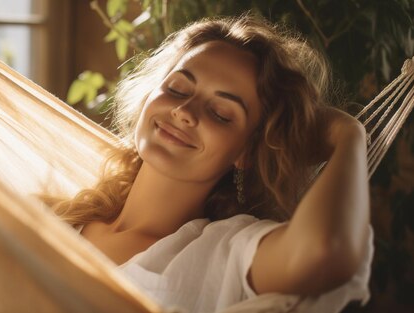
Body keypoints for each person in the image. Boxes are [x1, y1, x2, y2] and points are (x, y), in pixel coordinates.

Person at [48, 14, 373, 312]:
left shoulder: (226, 251)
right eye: (177, 88)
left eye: (220, 113)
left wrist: (349, 135)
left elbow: (323, 253)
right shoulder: (57, 217)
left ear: (246, 151)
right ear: (149, 96)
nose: (185, 112)